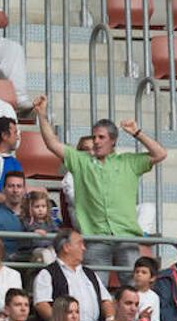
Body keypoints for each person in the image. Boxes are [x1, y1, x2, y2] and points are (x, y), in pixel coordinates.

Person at [33, 98, 167, 275]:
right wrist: (41, 115)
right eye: (94, 136)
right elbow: (52, 143)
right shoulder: (82, 161)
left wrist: (137, 132)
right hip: (95, 237)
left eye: (101, 137)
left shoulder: (128, 161)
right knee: (96, 288)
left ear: (113, 140)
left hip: (126, 236)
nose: (96, 141)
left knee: (133, 289)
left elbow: (160, 153)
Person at [33, 229, 114, 321]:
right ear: (66, 247)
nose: (84, 248)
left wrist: (110, 320)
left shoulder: (90, 273)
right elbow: (42, 304)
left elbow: (106, 300)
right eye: (80, 244)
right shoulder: (47, 274)